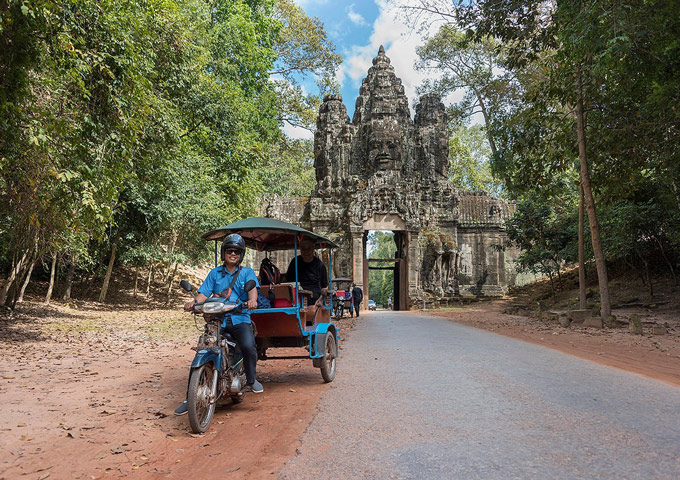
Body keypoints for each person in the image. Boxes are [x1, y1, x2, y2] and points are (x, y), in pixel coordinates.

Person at [175, 233, 262, 416]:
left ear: (241, 254)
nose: (233, 254)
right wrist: (194, 303)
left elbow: (252, 290)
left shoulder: (246, 272)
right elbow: (203, 293)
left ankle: (252, 379)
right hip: (217, 320)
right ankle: (189, 397)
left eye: (237, 251)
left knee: (248, 346)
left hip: (239, 319)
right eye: (229, 250)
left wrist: (252, 301)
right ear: (224, 253)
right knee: (202, 348)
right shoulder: (214, 273)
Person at [283, 238, 329, 306]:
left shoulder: (320, 265)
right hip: (296, 297)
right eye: (303, 248)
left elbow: (325, 287)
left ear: (313, 248)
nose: (306, 251)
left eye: (309, 249)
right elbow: (286, 280)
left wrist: (320, 299)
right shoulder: (295, 262)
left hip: (313, 299)